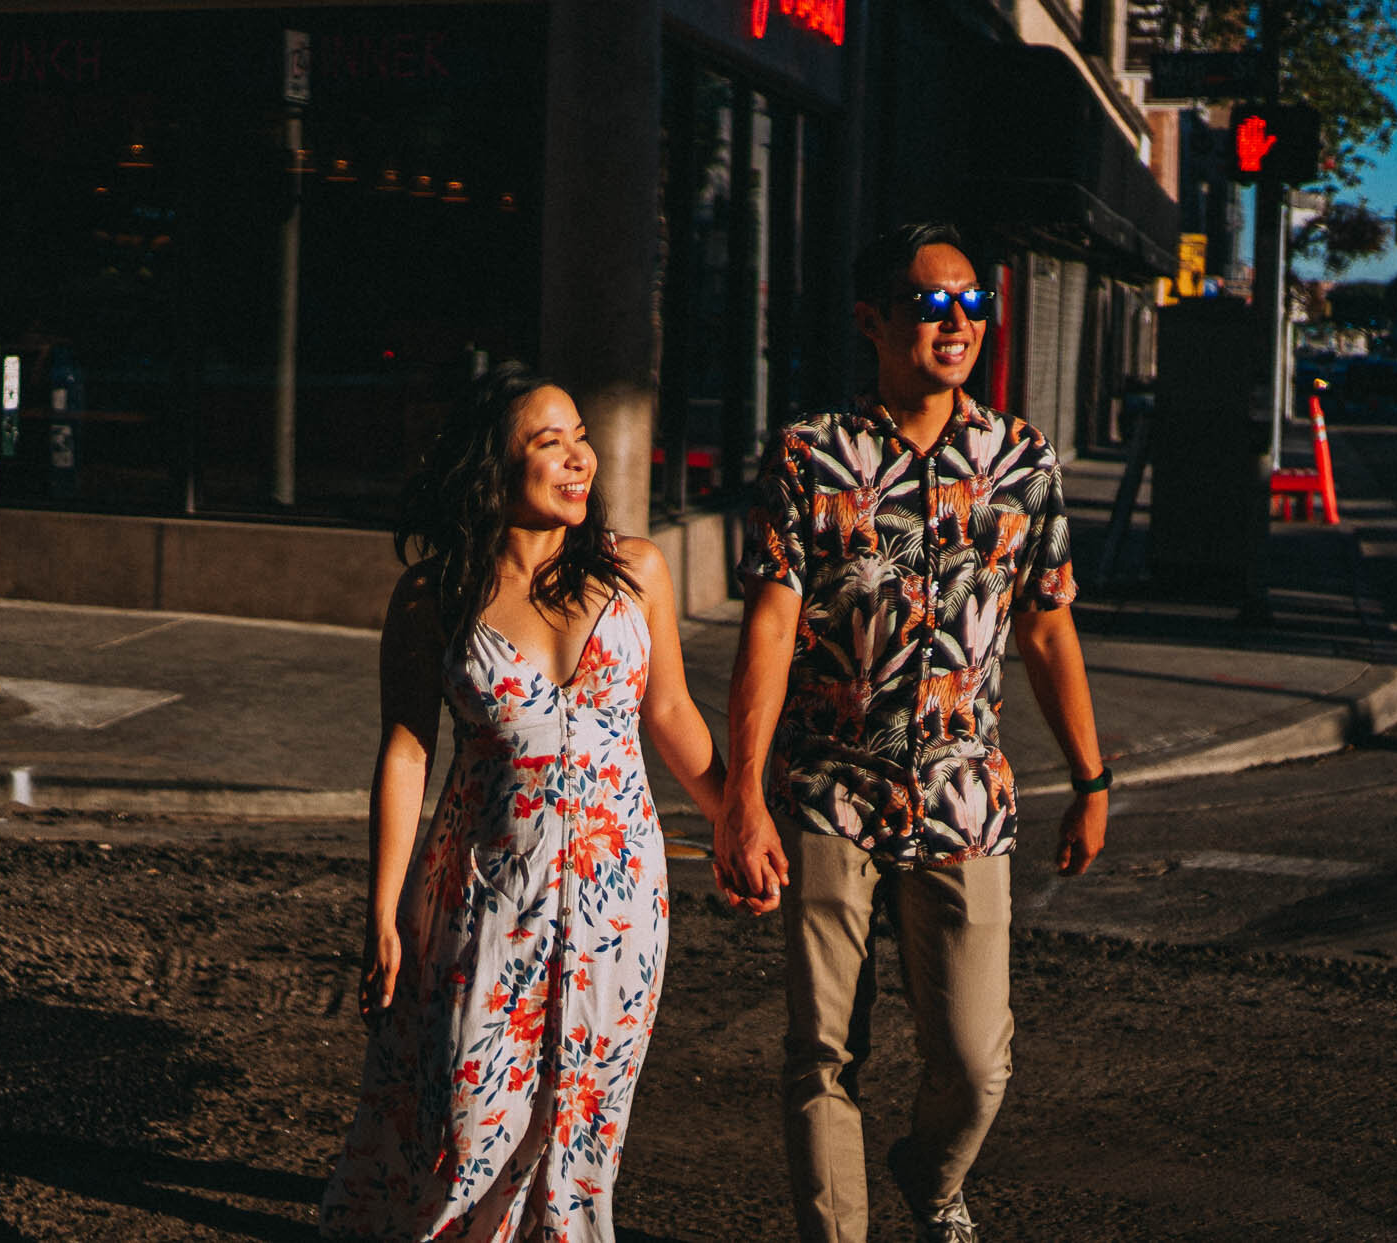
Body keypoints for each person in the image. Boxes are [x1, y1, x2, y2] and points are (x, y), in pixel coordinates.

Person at [713, 221, 1110, 1243]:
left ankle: (930, 1179)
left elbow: (1047, 624)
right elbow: (768, 628)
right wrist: (741, 796)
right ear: (872, 319)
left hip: (963, 797)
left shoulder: (1020, 459)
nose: (957, 320)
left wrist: (1091, 778)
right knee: (821, 1051)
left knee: (976, 1063)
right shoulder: (809, 454)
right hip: (827, 787)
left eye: (973, 301)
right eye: (932, 303)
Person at [321, 364, 729, 1242]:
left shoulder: (636, 571)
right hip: (483, 900)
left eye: (581, 436)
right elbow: (406, 749)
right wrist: (382, 913)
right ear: (493, 466)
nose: (581, 458)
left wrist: (739, 819)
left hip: (620, 910)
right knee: (467, 1124)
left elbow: (670, 713)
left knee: (580, 1133)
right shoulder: (432, 596)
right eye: (551, 442)